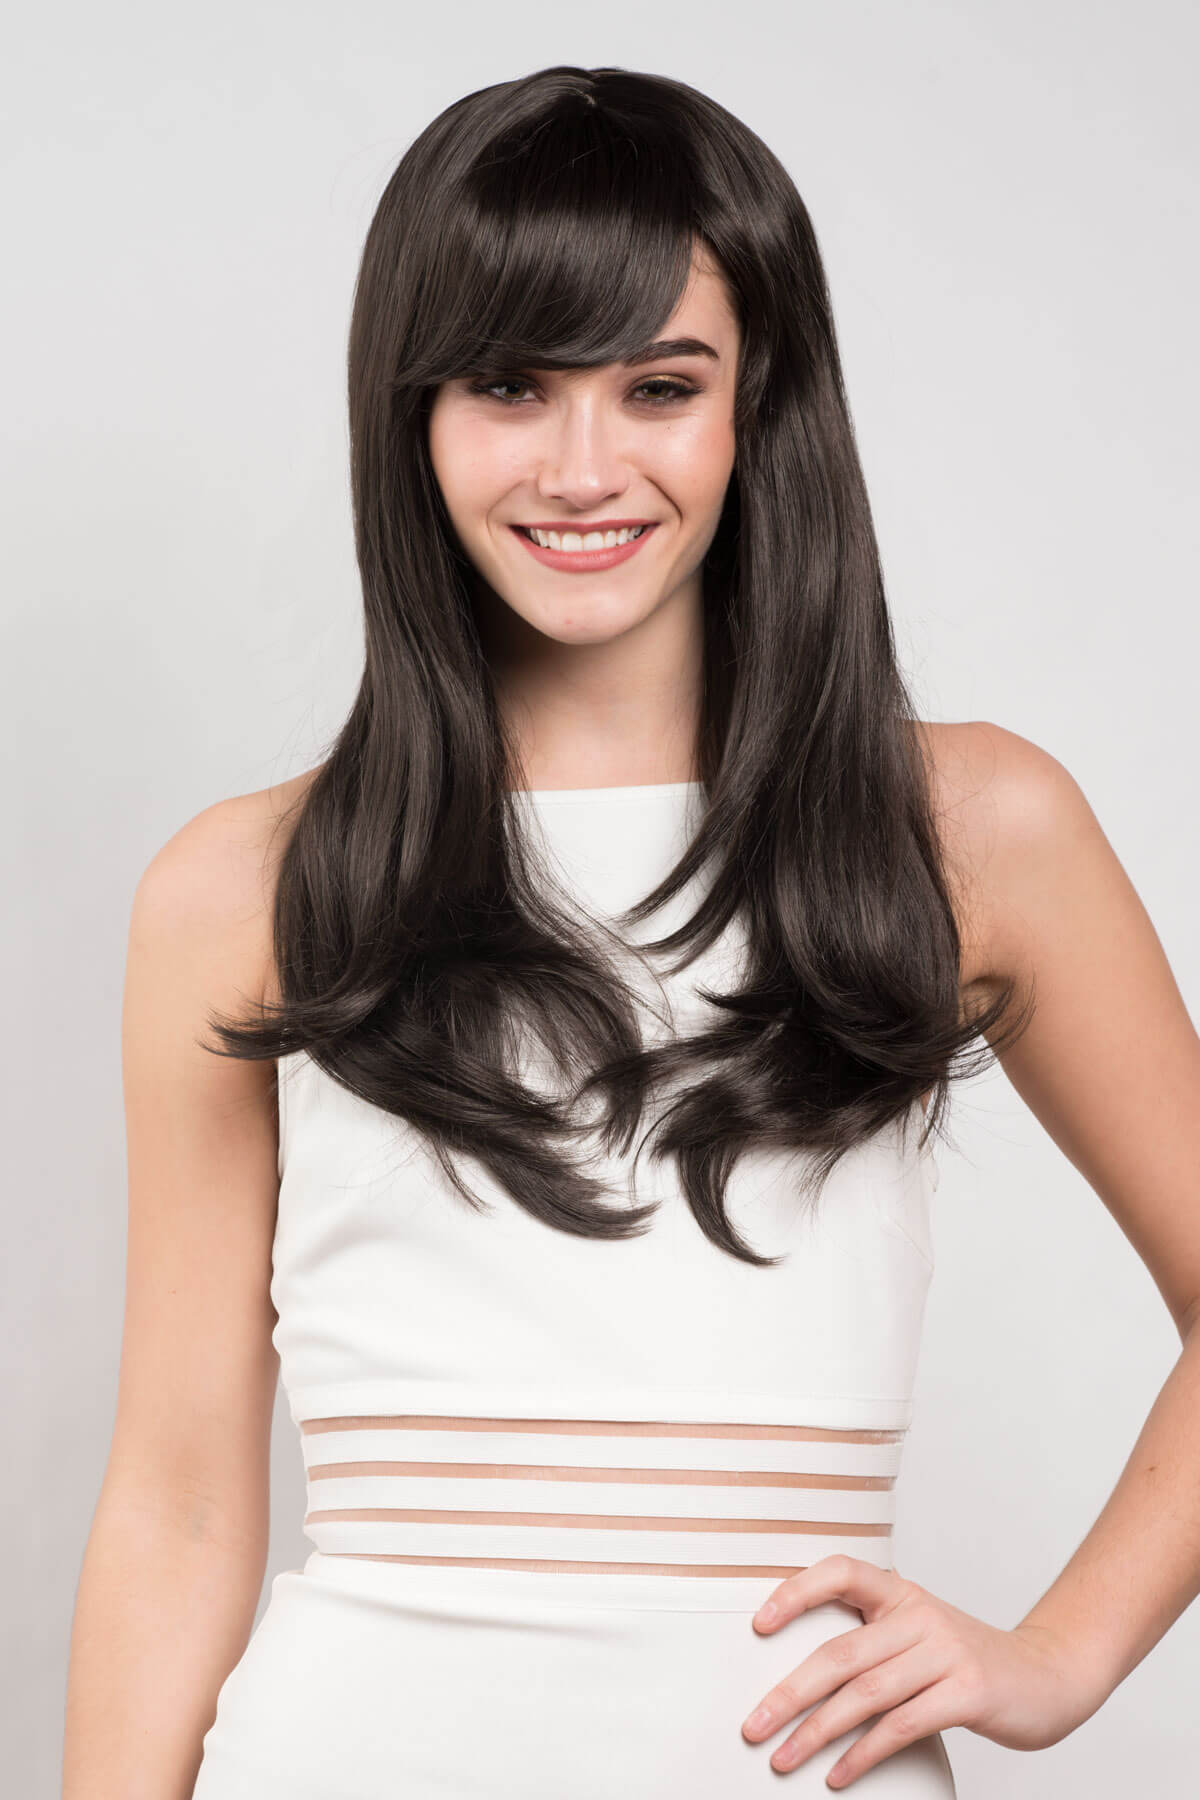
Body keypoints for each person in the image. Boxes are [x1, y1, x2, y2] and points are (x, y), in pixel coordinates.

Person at [62, 65, 1200, 1799]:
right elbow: (179, 1501)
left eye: (660, 387)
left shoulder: (969, 832)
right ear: (413, 411)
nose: (583, 467)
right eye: (510, 385)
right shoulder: (243, 890)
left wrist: (1058, 1659)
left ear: (758, 404)